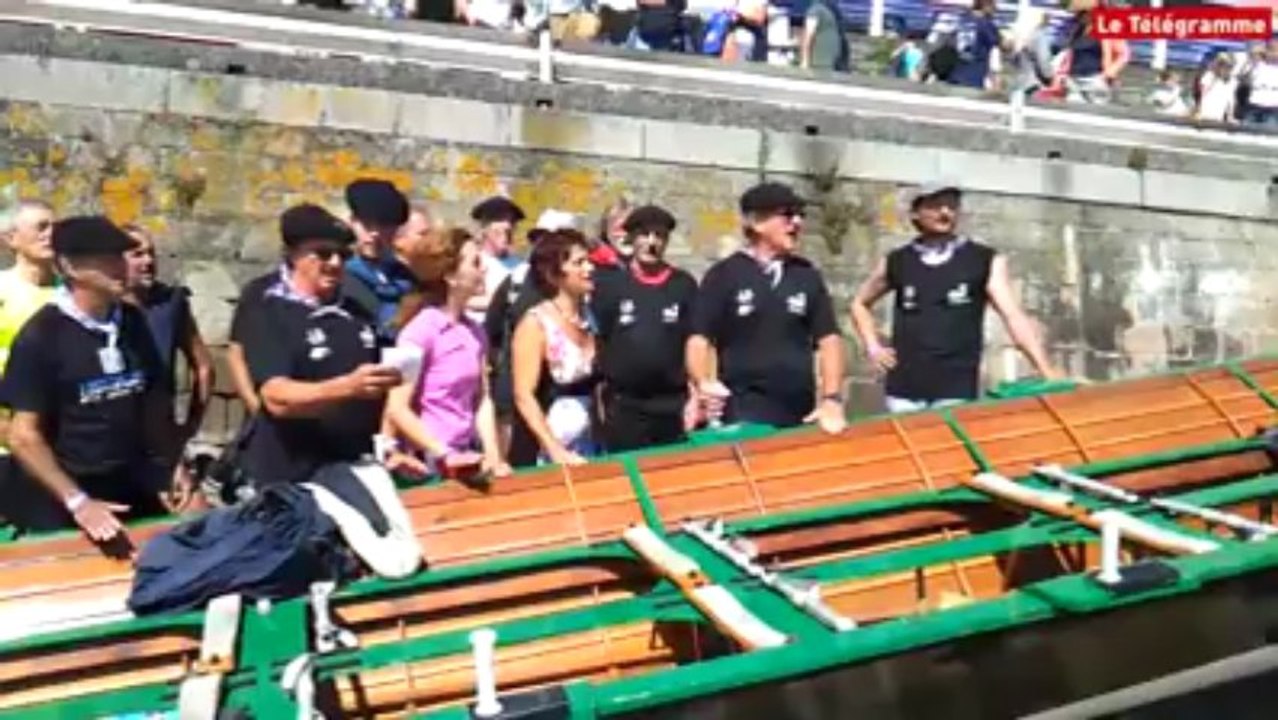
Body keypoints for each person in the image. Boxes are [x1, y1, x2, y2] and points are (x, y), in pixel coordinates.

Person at [235, 203, 421, 579]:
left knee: (397, 560)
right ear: (293, 254)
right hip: (292, 475)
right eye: (322, 254)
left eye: (342, 254)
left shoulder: (355, 312)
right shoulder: (268, 308)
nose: (335, 263)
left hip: (352, 464)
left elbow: (378, 394)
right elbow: (276, 397)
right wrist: (345, 388)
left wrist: (387, 445)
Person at [1, 216, 187, 541]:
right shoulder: (42, 337)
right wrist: (79, 502)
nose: (122, 266)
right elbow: (22, 436)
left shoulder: (132, 321)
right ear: (70, 268)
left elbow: (153, 404)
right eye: (108, 258)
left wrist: (174, 464)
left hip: (128, 480)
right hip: (62, 496)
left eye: (121, 256)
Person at [848, 182, 1063, 414]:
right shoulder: (897, 261)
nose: (945, 212)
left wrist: (1045, 369)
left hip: (955, 388)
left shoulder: (983, 260)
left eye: (951, 206)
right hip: (903, 389)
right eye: (936, 205)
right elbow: (859, 303)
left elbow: (1013, 316)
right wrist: (873, 346)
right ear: (916, 213)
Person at [686, 182, 846, 434]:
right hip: (744, 408)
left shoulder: (806, 275)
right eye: (787, 215)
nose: (797, 223)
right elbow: (699, 338)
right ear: (757, 222)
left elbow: (829, 339)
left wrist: (831, 399)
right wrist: (703, 383)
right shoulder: (724, 275)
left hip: (798, 410)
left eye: (800, 215)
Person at [385, 227, 512, 480]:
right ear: (451, 275)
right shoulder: (417, 332)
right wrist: (442, 453)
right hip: (427, 464)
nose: (483, 269)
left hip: (467, 458)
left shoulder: (475, 331)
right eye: (475, 263)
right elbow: (396, 407)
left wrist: (494, 456)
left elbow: (482, 399)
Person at [593, 205, 698, 452]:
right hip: (625, 405)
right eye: (645, 234)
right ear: (631, 238)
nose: (652, 242)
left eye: (659, 235)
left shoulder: (683, 285)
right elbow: (598, 342)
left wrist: (696, 397)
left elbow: (695, 341)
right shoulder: (611, 286)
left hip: (672, 404)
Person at [510, 230, 600, 466]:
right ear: (555, 274)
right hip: (552, 444)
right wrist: (555, 449)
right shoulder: (536, 323)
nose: (590, 268)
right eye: (579, 263)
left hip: (593, 438)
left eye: (589, 260)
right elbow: (523, 395)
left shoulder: (590, 317)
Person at [122, 225, 215, 443]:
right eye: (137, 254)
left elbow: (204, 367)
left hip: (160, 434)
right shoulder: (103, 308)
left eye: (151, 253)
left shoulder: (169, 304)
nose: (148, 262)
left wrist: (190, 426)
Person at [343, 178, 415, 340]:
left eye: (384, 226)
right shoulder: (338, 276)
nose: (375, 234)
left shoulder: (406, 277)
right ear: (352, 222)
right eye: (367, 225)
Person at [466, 195, 526, 325]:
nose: (506, 238)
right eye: (499, 233)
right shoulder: (473, 261)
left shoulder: (521, 267)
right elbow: (462, 298)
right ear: (485, 230)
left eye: (509, 232)